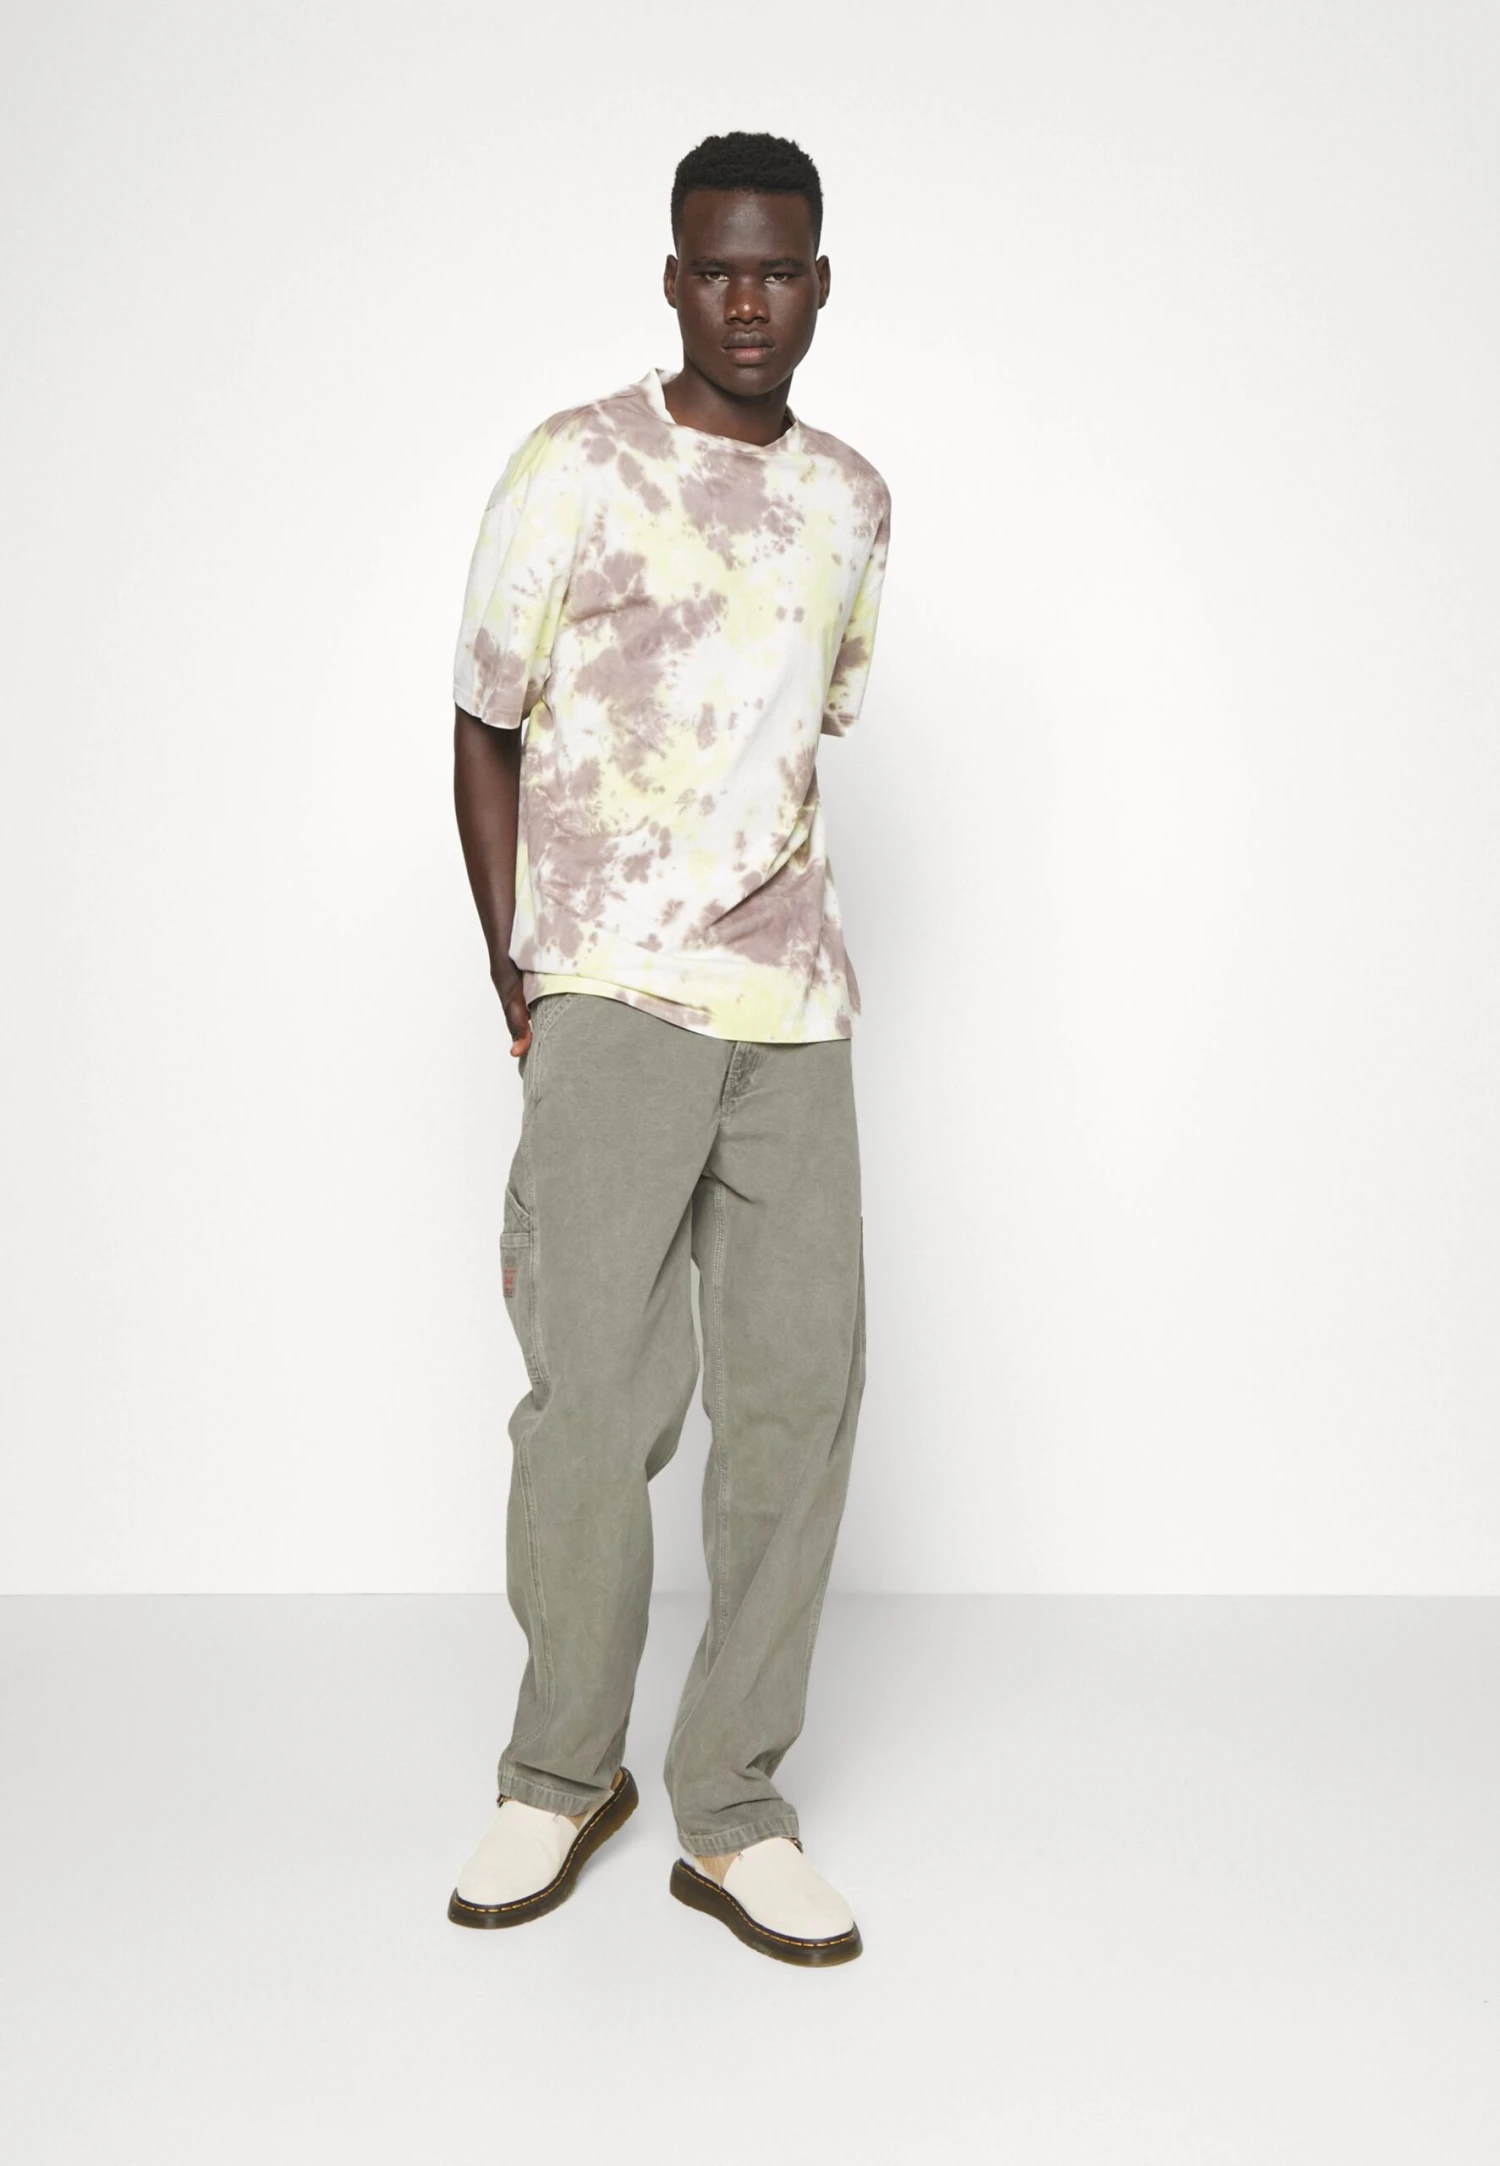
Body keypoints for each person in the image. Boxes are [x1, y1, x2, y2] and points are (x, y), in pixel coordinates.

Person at [446, 131, 891, 1968]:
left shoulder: (852, 500)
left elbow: (804, 733)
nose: (747, 301)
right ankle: (561, 1772)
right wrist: (521, 968)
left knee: (795, 1400)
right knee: (596, 1406)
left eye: (778, 270)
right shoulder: (575, 464)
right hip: (612, 993)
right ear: (673, 277)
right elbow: (484, 723)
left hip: (794, 1012)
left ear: (819, 283)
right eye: (717, 268)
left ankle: (733, 1804)